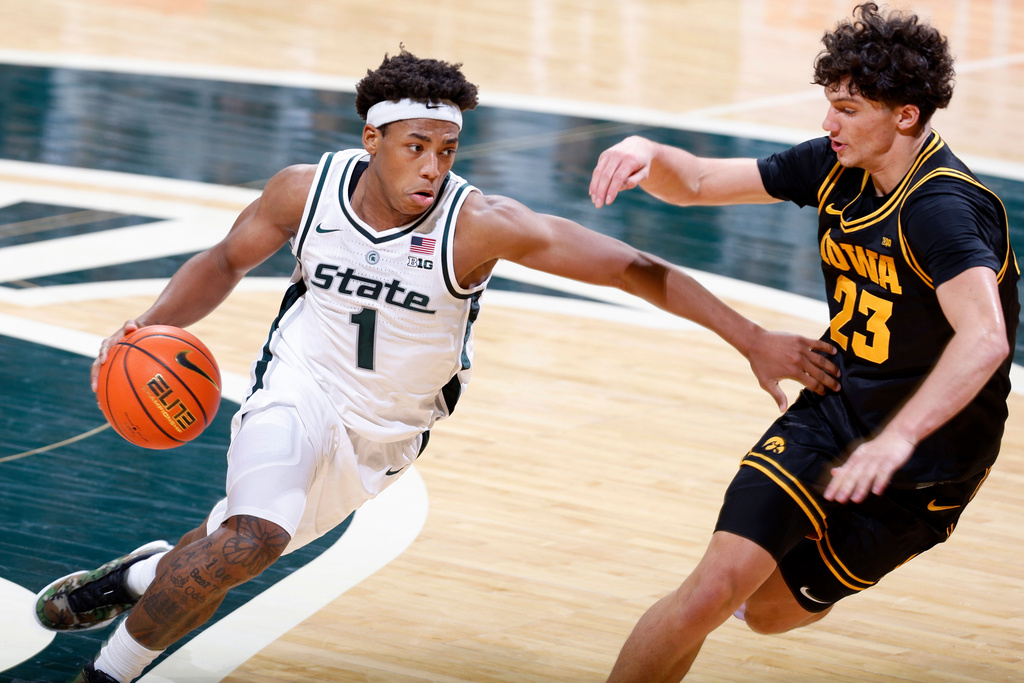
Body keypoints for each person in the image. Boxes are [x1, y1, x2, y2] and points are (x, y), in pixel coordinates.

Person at [33, 49, 840, 683]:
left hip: (384, 438)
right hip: (298, 387)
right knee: (252, 537)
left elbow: (633, 266)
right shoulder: (301, 193)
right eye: (415, 146)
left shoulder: (479, 224)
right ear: (371, 140)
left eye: (447, 149)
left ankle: (140, 576)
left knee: (230, 547)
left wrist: (749, 335)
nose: (432, 166)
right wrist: (145, 327)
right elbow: (222, 262)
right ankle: (108, 674)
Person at [588, 4, 1020, 681]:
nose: (828, 124)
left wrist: (896, 439)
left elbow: (986, 337)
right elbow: (698, 181)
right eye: (829, 105)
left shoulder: (941, 207)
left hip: (928, 462)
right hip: (832, 411)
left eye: (847, 109)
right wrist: (648, 151)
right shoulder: (834, 165)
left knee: (765, 612)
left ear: (905, 114)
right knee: (709, 591)